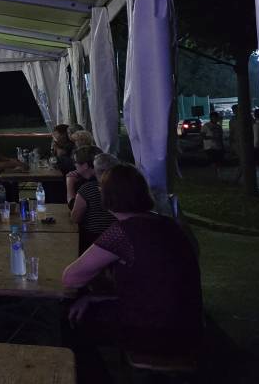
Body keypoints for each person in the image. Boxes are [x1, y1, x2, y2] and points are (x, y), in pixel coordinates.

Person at [62, 165, 203, 374]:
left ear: (107, 197)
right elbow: (153, 285)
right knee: (88, 302)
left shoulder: (123, 232)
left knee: (70, 317)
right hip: (188, 323)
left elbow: (70, 278)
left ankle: (90, 376)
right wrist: (96, 297)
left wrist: (93, 296)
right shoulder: (168, 223)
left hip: (153, 331)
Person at [68, 147, 115, 251]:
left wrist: (69, 184)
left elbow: (75, 218)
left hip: (92, 241)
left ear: (85, 166)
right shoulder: (122, 185)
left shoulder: (88, 188)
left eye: (75, 162)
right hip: (117, 238)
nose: (74, 165)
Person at [202, 111, 225, 178]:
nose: (216, 119)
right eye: (215, 117)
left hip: (218, 147)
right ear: (211, 118)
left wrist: (222, 146)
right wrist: (212, 137)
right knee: (213, 162)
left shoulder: (218, 126)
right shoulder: (206, 125)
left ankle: (217, 175)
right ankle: (215, 175)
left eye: (217, 117)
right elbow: (203, 136)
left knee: (218, 162)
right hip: (209, 147)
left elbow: (220, 137)